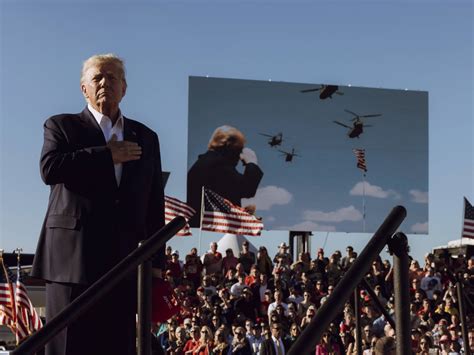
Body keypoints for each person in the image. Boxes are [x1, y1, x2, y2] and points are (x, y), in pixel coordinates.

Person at [31, 54, 166, 355]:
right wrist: (107, 155)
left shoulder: (146, 137)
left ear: (124, 88)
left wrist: (156, 266)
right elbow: (50, 169)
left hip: (125, 264)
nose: (106, 82)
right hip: (72, 264)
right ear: (84, 88)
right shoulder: (62, 126)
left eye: (113, 77)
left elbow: (154, 202)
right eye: (97, 78)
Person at [187, 125, 263, 227]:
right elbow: (247, 189)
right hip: (212, 226)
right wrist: (251, 162)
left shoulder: (206, 161)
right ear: (229, 146)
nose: (239, 157)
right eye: (238, 150)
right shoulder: (217, 164)